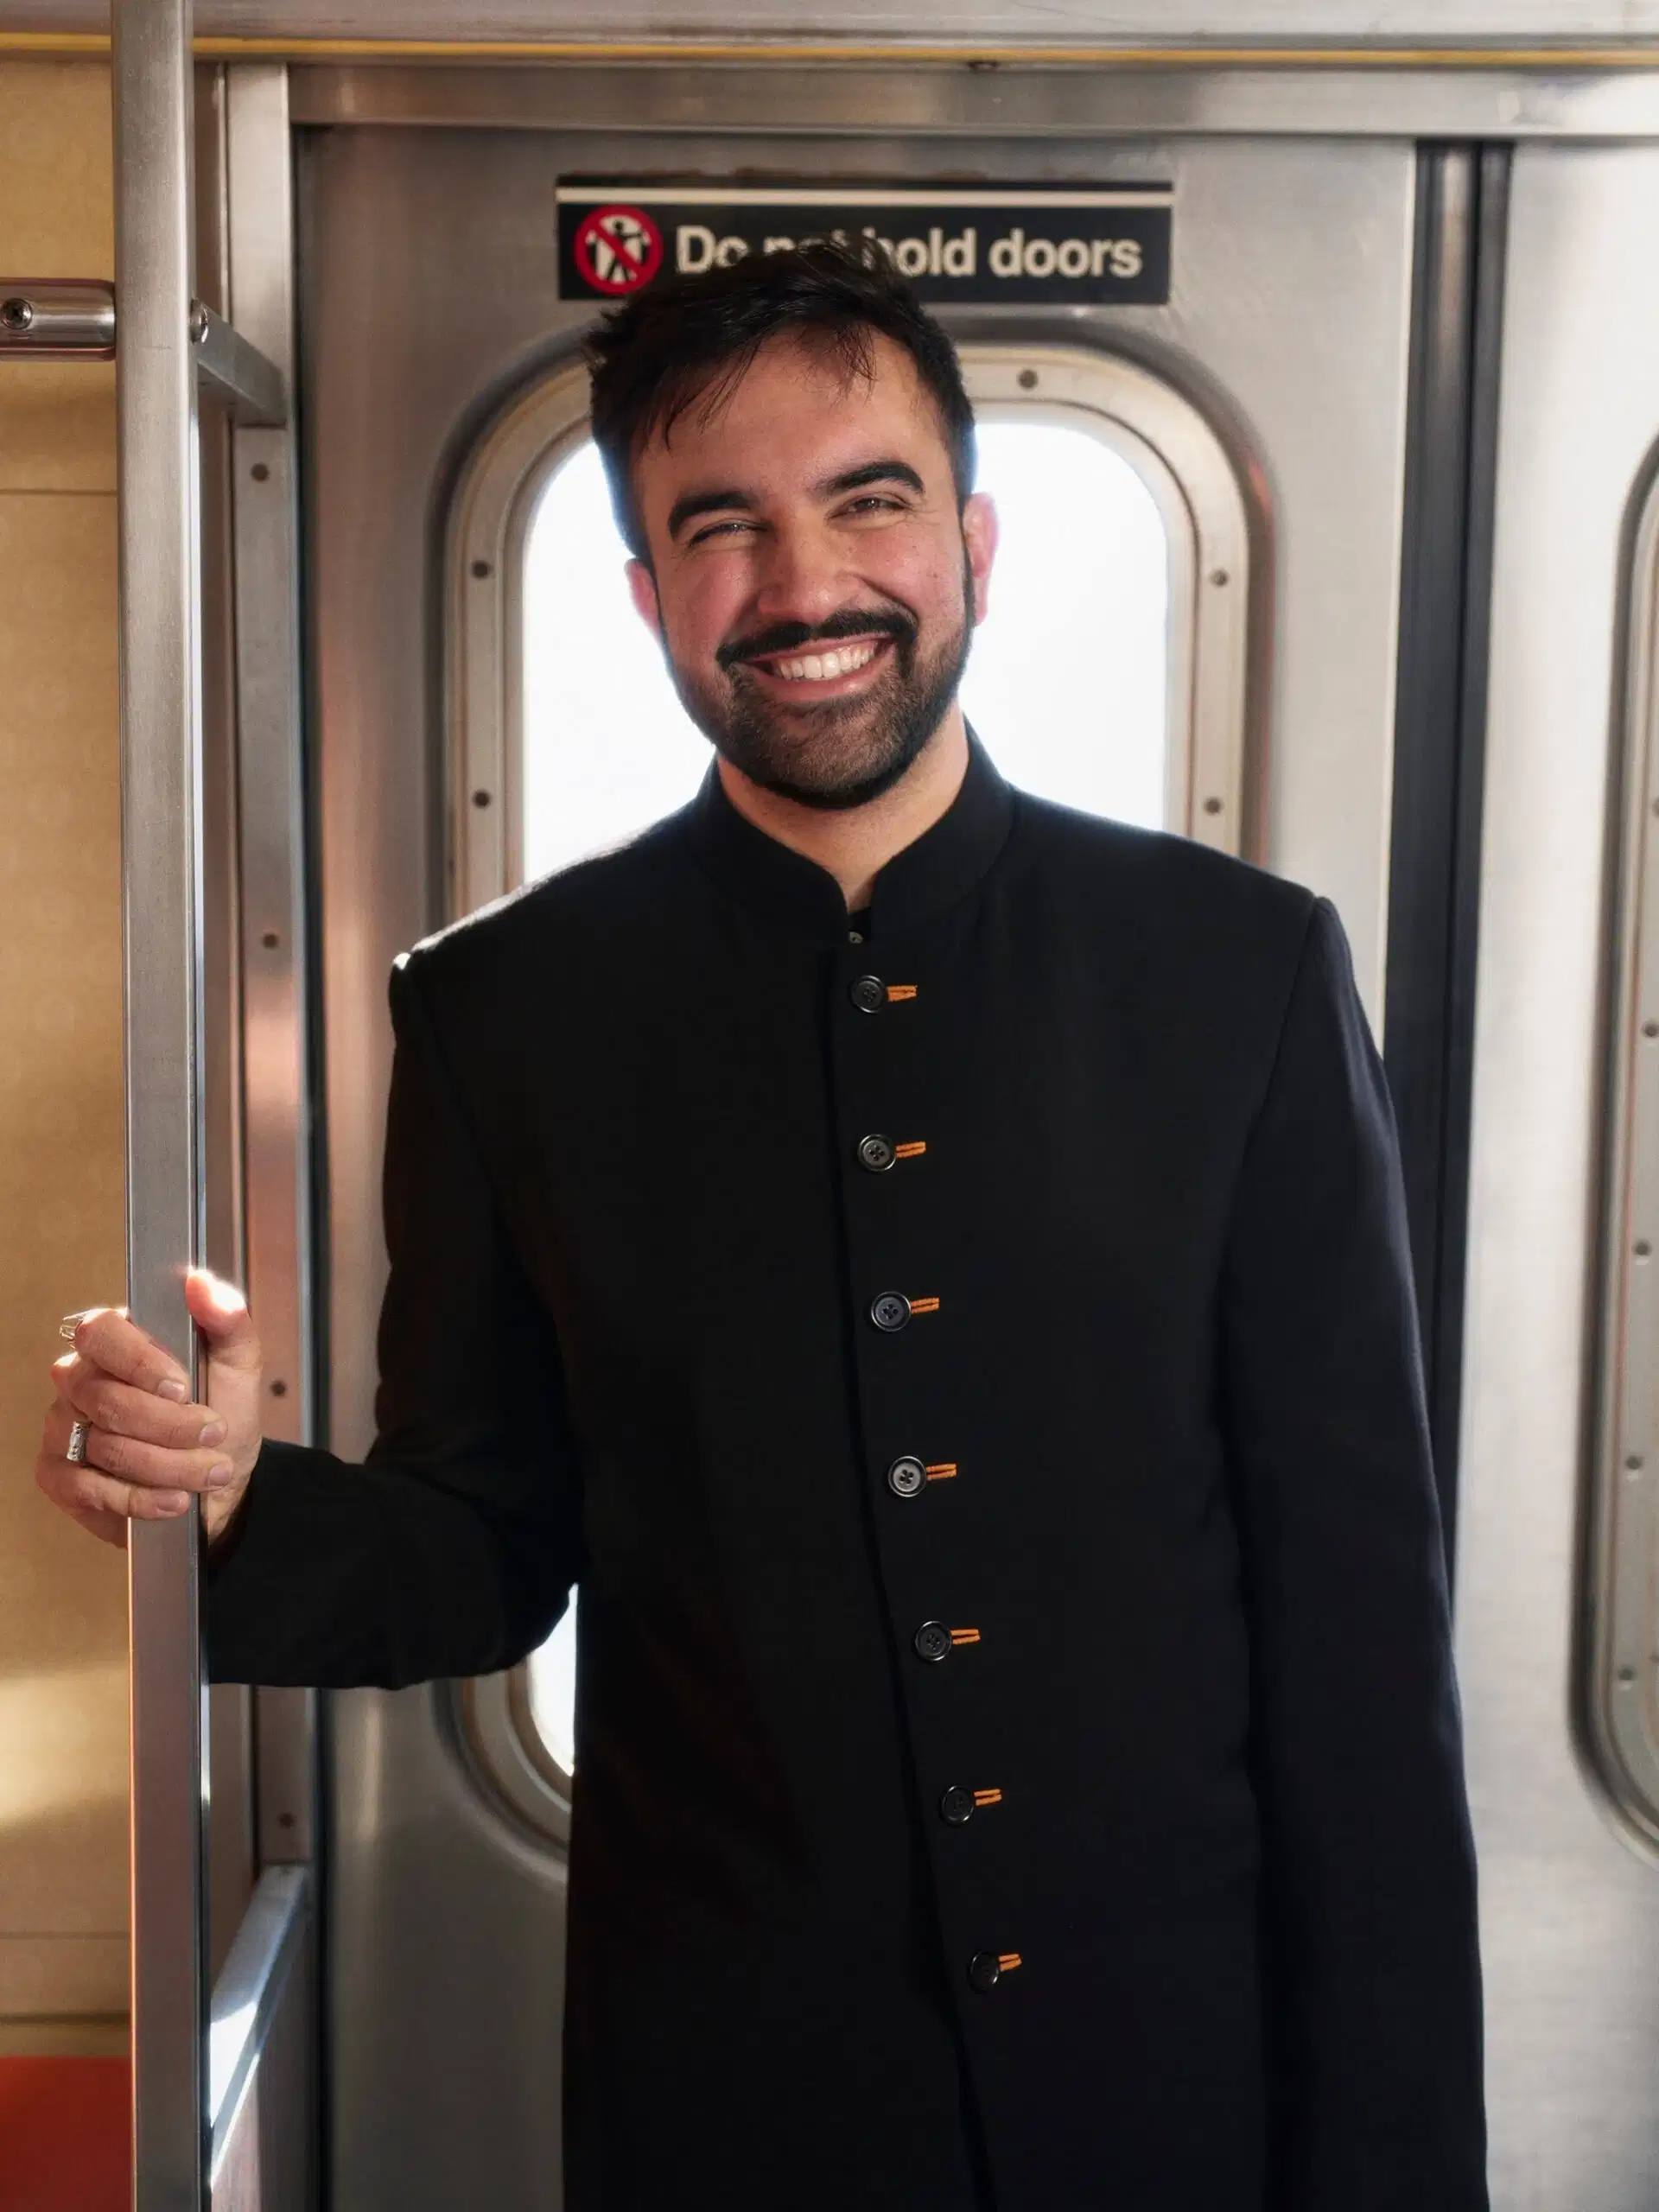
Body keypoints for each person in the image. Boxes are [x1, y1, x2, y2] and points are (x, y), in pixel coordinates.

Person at [36, 239, 1486, 2211]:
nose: (806, 588)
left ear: (973, 536)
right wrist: (229, 1503)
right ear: (646, 593)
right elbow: (482, 1541)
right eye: (722, 528)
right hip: (729, 2097)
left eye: (868, 500)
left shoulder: (1238, 976)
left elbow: (1361, 1661)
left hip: (1180, 2086)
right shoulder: (502, 1013)